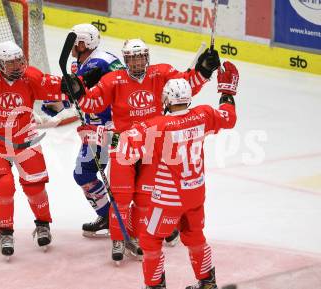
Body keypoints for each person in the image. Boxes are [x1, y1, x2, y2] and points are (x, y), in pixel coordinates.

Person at [65, 38, 220, 263]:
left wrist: (204, 70)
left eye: (140, 57)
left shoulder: (161, 73)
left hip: (153, 147)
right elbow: (92, 104)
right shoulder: (113, 80)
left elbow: (186, 85)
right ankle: (118, 238)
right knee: (121, 198)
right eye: (133, 58)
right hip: (124, 148)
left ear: (146, 57)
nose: (137, 62)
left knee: (144, 199)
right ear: (126, 60)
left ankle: (137, 236)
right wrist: (78, 92)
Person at [123, 61, 239, 289]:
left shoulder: (157, 125)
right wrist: (227, 92)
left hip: (169, 199)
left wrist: (116, 138)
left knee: (150, 240)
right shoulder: (203, 115)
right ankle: (207, 282)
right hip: (196, 193)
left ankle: (155, 285)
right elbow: (228, 117)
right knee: (194, 235)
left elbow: (128, 150)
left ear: (166, 100)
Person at [0, 40, 65, 257]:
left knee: (35, 187)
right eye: (11, 63)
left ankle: (43, 224)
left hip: (26, 138)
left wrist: (77, 85)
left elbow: (55, 85)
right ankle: (5, 232)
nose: (17, 66)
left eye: (19, 61)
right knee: (3, 185)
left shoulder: (30, 76)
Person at [67, 23, 125, 238]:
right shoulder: (81, 64)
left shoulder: (103, 62)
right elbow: (73, 94)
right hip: (95, 131)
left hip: (115, 130)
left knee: (127, 181)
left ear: (83, 43)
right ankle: (110, 217)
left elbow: (126, 84)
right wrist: (50, 107)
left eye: (74, 42)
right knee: (84, 173)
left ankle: (163, 228)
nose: (71, 47)